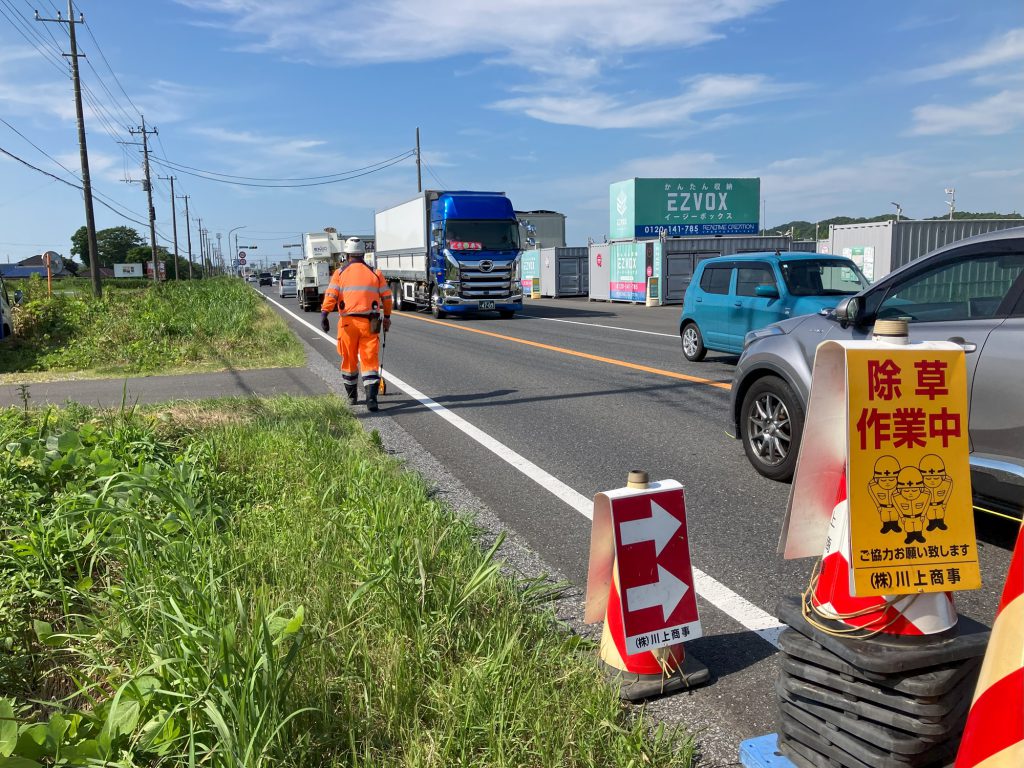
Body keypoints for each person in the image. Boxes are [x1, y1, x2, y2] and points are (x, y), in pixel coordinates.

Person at [320, 237, 393, 411]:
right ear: (363, 253)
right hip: (371, 322)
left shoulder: (340, 273)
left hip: (347, 323)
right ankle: (371, 400)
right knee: (369, 360)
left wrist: (324, 314)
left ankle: (352, 397)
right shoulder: (376, 273)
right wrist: (388, 317)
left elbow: (331, 296)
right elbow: (387, 298)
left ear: (347, 254)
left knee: (349, 359)